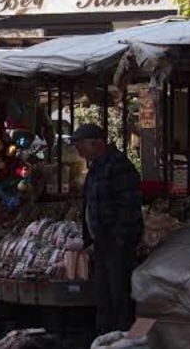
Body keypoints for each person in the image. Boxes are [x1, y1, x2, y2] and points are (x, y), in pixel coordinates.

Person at [71, 124, 144, 335]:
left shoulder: (118, 165)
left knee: (119, 295)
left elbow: (129, 206)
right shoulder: (96, 167)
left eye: (80, 145)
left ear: (97, 143)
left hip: (117, 244)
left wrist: (120, 238)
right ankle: (104, 337)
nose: (78, 151)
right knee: (104, 296)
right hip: (102, 244)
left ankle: (123, 338)